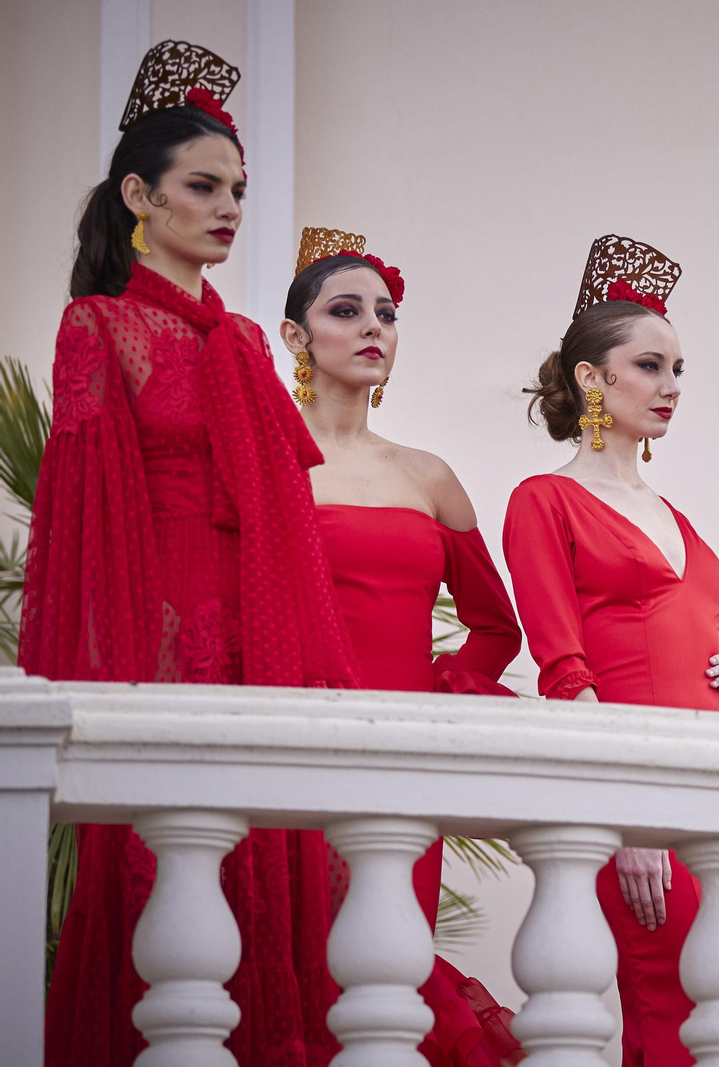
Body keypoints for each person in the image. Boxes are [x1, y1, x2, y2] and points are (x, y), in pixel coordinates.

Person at [24, 41, 360, 1067]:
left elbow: (287, 511)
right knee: (164, 861)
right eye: (203, 187)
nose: (227, 208)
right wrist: (116, 666)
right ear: (140, 194)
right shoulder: (99, 323)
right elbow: (87, 514)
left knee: (261, 851)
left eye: (238, 191)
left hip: (257, 616)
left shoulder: (250, 340)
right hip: (159, 618)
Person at [503, 235, 719, 1067]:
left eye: (680, 369)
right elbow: (564, 671)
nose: (671, 387)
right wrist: (625, 813)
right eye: (651, 365)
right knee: (669, 1012)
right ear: (592, 378)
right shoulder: (543, 500)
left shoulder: (676, 517)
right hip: (638, 794)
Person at [282, 226, 526, 1066]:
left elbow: (498, 624)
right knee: (304, 963)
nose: (372, 327)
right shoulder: (270, 461)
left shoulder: (429, 475)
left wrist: (441, 689)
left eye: (384, 312)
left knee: (387, 970)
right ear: (296, 337)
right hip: (297, 751)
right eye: (345, 311)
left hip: (403, 762)